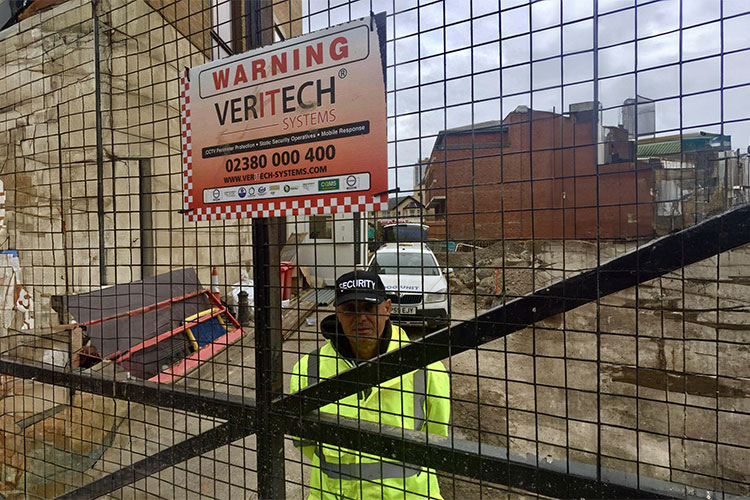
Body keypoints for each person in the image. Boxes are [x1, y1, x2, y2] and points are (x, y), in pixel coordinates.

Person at [290, 270, 451, 500]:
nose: (360, 318)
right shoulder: (308, 369)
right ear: (337, 312)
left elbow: (436, 440)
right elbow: (304, 442)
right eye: (350, 310)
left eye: (368, 308)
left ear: (387, 308)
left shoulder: (426, 369)